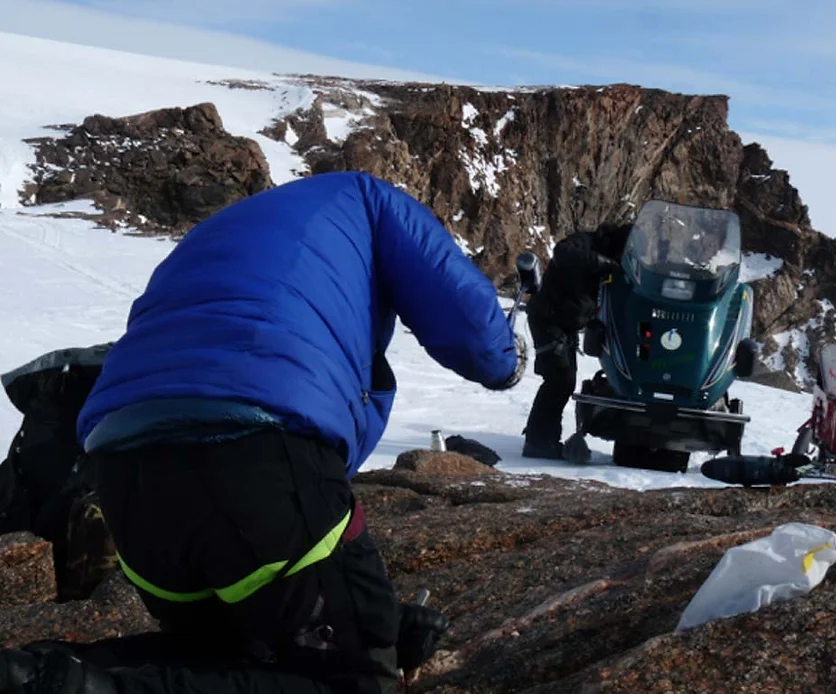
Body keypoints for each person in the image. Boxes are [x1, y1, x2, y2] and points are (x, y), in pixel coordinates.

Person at [0, 171, 526, 694]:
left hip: (122, 469)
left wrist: (372, 620)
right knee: (357, 683)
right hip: (257, 447)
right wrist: (511, 361)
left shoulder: (213, 232)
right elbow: (471, 327)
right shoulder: (369, 198)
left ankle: (40, 675)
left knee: (228, 652)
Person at [521, 222, 631, 459]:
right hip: (547, 318)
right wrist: (601, 263)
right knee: (559, 379)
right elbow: (562, 252)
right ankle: (539, 443)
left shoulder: (618, 264)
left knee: (563, 380)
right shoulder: (586, 242)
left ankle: (541, 438)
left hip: (567, 324)